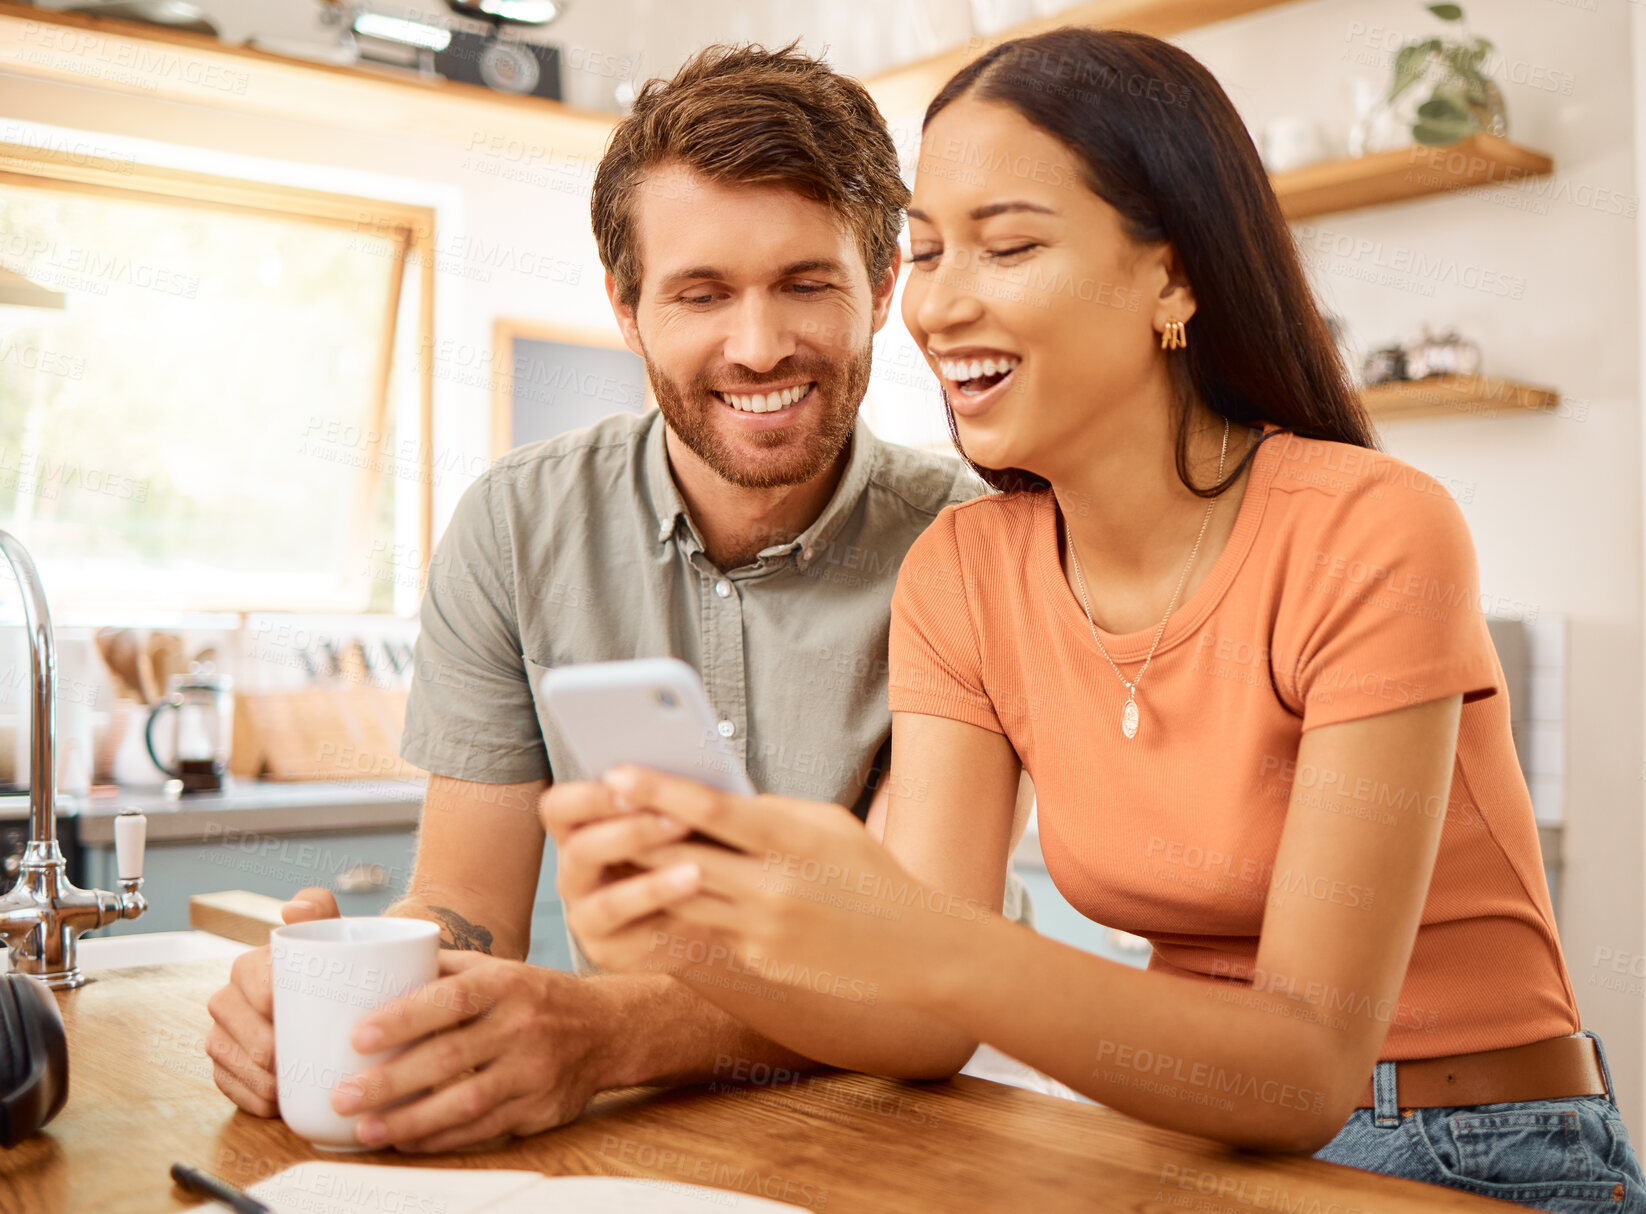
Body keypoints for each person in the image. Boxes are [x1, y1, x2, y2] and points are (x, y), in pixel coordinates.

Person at [548, 26, 1646, 1210]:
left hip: (1472, 1150)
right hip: (1181, 1148)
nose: (936, 303)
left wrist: (900, 928)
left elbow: (1300, 1068)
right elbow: (920, 1021)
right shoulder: (962, 574)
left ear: (1172, 277)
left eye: (1007, 245)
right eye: (924, 253)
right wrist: (708, 930)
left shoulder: (1372, 529)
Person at [202, 42, 1035, 1152]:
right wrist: (350, 989)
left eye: (804, 283)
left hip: (925, 1122)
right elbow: (468, 910)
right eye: (699, 293)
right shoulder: (513, 525)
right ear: (627, 305)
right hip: (643, 1128)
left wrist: (610, 1033)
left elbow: (914, 971)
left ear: (882, 285)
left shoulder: (978, 541)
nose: (758, 345)